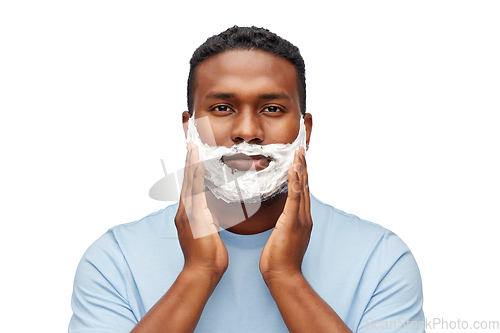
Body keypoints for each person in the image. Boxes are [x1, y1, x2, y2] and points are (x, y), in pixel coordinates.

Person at [69, 26, 425, 333]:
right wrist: (198, 272)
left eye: (272, 109)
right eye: (222, 108)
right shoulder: (114, 261)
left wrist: (287, 278)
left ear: (306, 130)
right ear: (189, 128)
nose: (247, 132)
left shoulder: (381, 261)